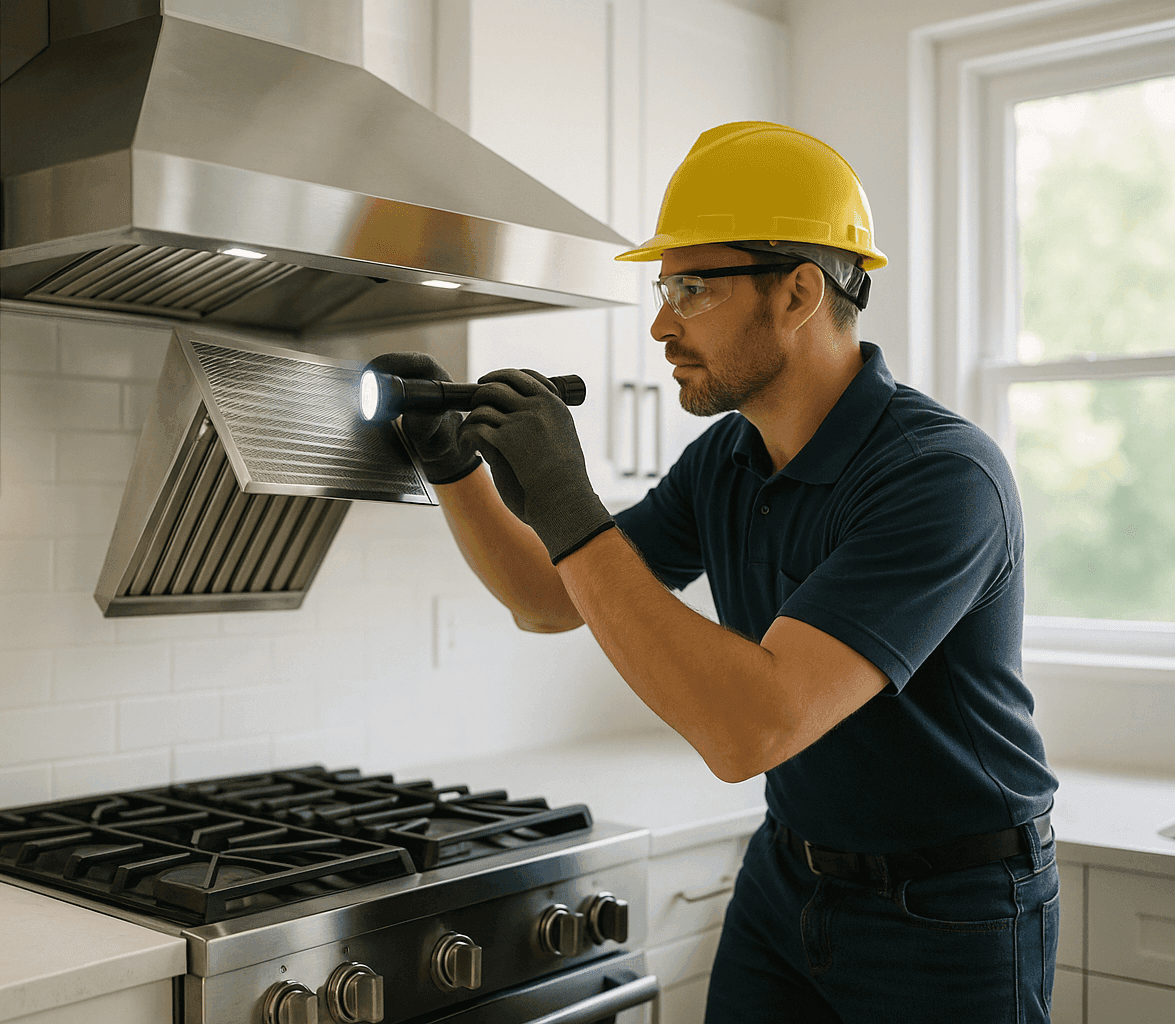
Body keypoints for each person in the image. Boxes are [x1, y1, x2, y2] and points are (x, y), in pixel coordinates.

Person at [370, 121, 1059, 1023]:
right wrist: (452, 467)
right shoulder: (728, 459)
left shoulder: (940, 479)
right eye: (666, 287)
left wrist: (571, 505)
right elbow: (549, 600)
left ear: (799, 292)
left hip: (951, 911)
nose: (660, 323)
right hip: (788, 876)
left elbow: (750, 731)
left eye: (691, 287)